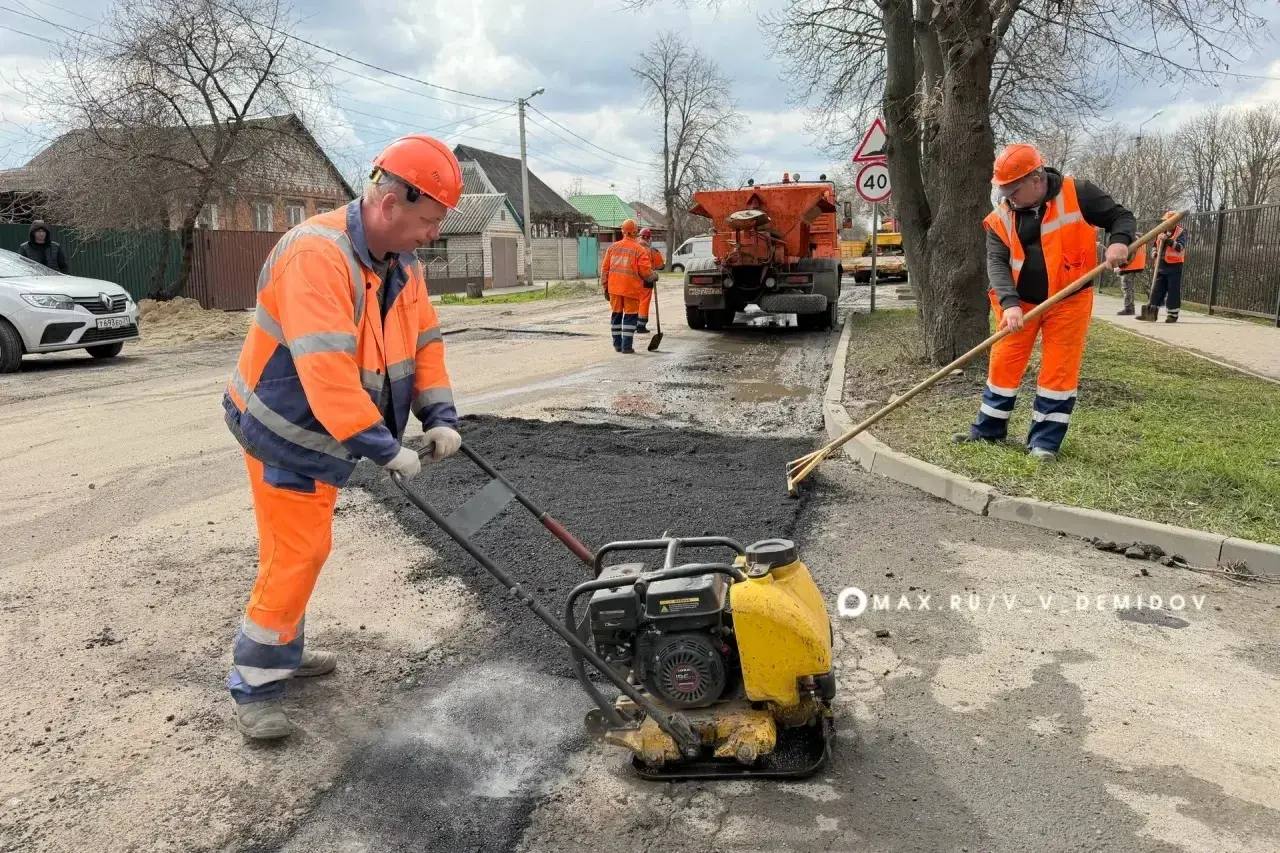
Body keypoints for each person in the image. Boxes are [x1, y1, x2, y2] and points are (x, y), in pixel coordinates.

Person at [221, 134, 464, 739]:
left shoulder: (401, 265)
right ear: (391, 203)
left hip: (329, 435)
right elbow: (327, 374)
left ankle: (283, 647)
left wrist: (441, 417)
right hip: (286, 431)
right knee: (297, 552)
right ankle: (256, 683)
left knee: (300, 548)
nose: (433, 234)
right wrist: (387, 451)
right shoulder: (316, 255)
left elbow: (425, 344)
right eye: (429, 221)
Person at [955, 143, 1136, 461]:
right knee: (1003, 364)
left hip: (1069, 300)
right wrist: (1010, 303)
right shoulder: (1001, 216)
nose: (1008, 197)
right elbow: (996, 262)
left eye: (1014, 189)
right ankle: (988, 431)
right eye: (1004, 190)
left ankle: (1044, 443)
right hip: (1019, 304)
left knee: (1058, 370)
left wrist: (1119, 242)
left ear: (1037, 179)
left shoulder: (1078, 193)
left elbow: (1121, 217)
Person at [600, 218, 656, 353]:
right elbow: (645, 272)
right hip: (631, 289)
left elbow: (604, 270)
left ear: (622, 231)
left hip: (614, 289)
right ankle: (626, 347)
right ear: (635, 232)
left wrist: (605, 287)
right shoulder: (639, 249)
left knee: (616, 316)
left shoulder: (612, 248)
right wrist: (653, 276)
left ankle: (617, 345)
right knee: (630, 317)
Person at [1143, 211, 1185, 323]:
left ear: (1175, 222)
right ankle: (1151, 313)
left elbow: (1180, 247)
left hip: (1174, 266)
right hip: (1160, 265)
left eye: (1168, 221)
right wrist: (1154, 253)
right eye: (1165, 221)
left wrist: (1168, 241)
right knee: (1156, 289)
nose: (1166, 223)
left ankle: (1172, 314)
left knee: (1173, 290)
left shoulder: (1180, 232)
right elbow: (1154, 245)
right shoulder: (1161, 232)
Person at [635, 227, 664, 334]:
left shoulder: (633, 248)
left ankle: (632, 323)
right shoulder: (651, 250)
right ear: (648, 238)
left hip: (634, 280)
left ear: (640, 236)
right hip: (647, 279)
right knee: (644, 301)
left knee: (635, 301)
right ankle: (641, 325)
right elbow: (661, 265)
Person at [1115, 244, 1146, 316]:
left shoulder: (1128, 237)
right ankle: (1130, 307)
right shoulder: (1137, 237)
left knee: (1127, 286)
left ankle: (1129, 308)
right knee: (1129, 287)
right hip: (1136, 262)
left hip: (1129, 264)